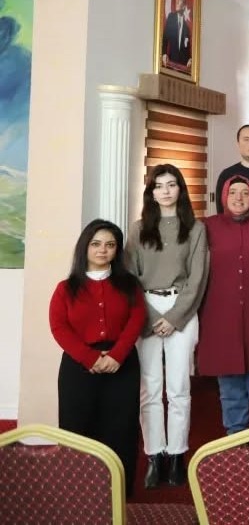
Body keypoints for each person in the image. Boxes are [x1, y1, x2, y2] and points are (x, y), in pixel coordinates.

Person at [125, 163, 209, 488]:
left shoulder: (195, 229)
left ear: (180, 189)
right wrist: (148, 315)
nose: (165, 191)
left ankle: (176, 456)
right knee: (149, 388)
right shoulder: (138, 229)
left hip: (181, 309)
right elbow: (129, 278)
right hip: (145, 307)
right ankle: (154, 455)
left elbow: (197, 279)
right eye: (158, 185)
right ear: (151, 192)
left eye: (171, 184)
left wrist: (173, 318)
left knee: (178, 387)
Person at [50, 219, 146, 496]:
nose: (103, 250)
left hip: (122, 364)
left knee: (121, 428)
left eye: (110, 245)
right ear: (85, 247)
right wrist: (90, 358)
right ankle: (77, 492)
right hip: (78, 366)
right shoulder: (66, 288)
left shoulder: (129, 285)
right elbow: (59, 327)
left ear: (117, 250)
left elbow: (136, 319)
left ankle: (119, 492)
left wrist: (116, 355)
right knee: (77, 426)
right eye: (96, 244)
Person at [197, 175, 249, 438]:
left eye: (245, 192)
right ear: (224, 196)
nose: (238, 197)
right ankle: (234, 438)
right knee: (230, 387)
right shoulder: (207, 226)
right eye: (233, 192)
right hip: (221, 316)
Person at [160, 0, 191, 70]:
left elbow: (187, 49)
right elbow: (165, 38)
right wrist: (164, 54)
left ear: (184, 6)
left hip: (182, 67)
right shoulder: (171, 18)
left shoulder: (186, 28)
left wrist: (190, 59)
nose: (176, 1)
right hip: (170, 64)